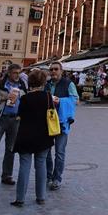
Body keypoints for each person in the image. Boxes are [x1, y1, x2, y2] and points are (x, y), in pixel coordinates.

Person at [11, 69, 54, 207]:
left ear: (30, 82)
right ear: (43, 82)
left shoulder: (24, 98)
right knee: (41, 166)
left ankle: (20, 198)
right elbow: (52, 114)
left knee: (24, 166)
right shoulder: (48, 97)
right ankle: (41, 196)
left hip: (26, 135)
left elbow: (19, 116)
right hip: (43, 135)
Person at [0, 64, 26, 187]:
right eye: (15, 73)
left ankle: (7, 175)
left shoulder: (22, 86)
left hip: (15, 120)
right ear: (9, 73)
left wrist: (21, 114)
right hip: (1, 118)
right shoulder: (0, 85)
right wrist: (3, 98)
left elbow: (24, 102)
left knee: (11, 149)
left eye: (19, 73)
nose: (17, 75)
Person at [44, 61, 78, 191]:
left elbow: (75, 99)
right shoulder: (47, 85)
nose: (53, 72)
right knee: (46, 151)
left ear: (61, 71)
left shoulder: (68, 84)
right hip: (47, 122)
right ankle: (48, 176)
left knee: (59, 152)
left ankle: (57, 178)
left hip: (62, 122)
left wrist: (61, 101)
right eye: (51, 69)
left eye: (55, 69)